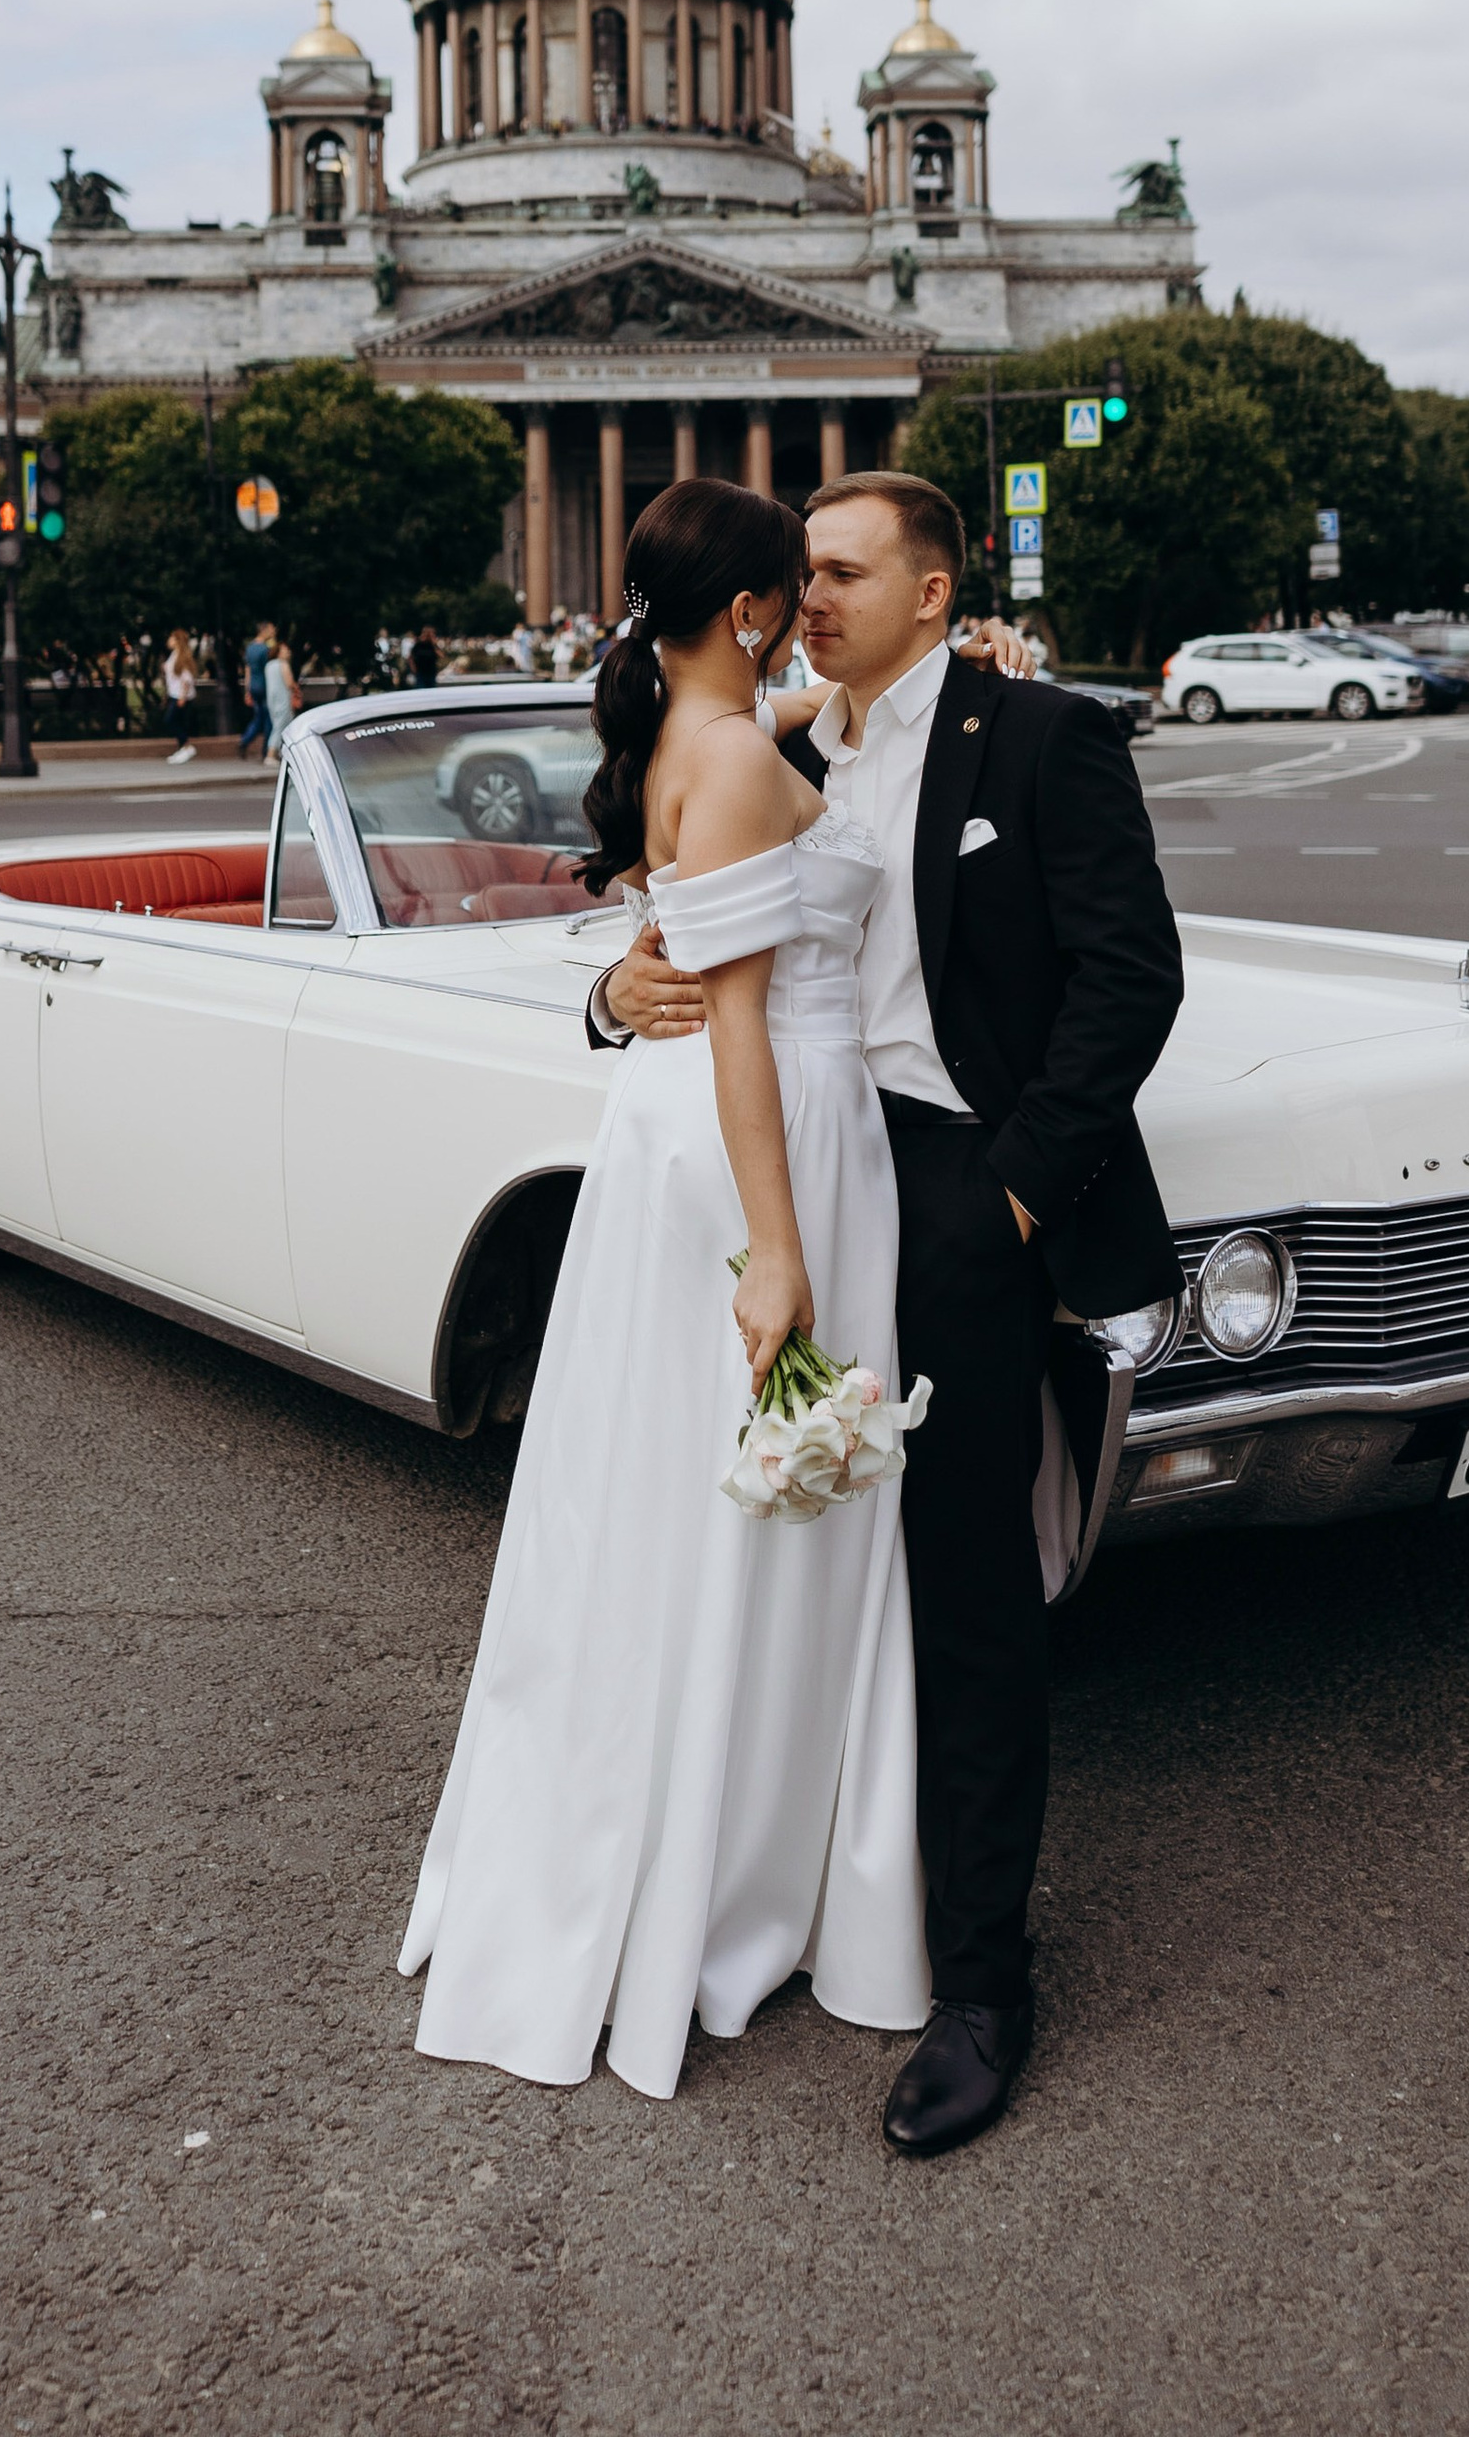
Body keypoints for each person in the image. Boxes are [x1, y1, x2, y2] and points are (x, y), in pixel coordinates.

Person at [595, 473, 1182, 2156]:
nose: (810, 595)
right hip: (789, 1174)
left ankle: (983, 1977)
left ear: (935, 594)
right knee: (802, 1547)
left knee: (958, 1570)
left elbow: (1133, 980)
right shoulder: (792, 742)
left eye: (843, 572)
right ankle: (800, 1886)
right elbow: (692, 933)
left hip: (948, 1183)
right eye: (801, 574)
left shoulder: (1044, 734)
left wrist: (1011, 1195)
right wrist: (610, 986)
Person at [398, 479, 926, 2095]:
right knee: (773, 1509)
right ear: (755, 608)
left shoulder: (680, 746)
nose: (818, 609)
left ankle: (659, 1848)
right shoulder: (748, 763)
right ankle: (750, 1877)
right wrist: (779, 1246)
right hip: (766, 1146)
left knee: (654, 1512)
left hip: (666, 1143)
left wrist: (633, 990)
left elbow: (674, 960)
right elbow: (749, 1026)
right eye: (801, 586)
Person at [160, 628, 201, 765]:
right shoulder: (174, 655)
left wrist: (182, 696)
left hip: (180, 696)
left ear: (177, 641)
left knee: (170, 720)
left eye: (172, 638)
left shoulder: (181, 656)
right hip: (174, 694)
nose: (169, 640)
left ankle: (187, 747)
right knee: (177, 721)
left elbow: (187, 678)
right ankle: (183, 748)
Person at [239, 622, 276, 758]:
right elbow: (269, 670)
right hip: (265, 686)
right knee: (268, 719)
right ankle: (266, 750)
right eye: (271, 629)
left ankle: (245, 740)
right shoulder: (265, 649)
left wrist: (247, 689)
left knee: (258, 716)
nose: (273, 632)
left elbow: (247, 669)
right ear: (264, 630)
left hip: (254, 686)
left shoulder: (250, 648)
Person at [263, 635, 298, 759]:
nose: (288, 652)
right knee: (281, 727)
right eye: (285, 650)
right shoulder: (283, 664)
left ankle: (279, 753)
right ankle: (271, 755)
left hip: (272, 700)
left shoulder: (268, 665)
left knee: (277, 725)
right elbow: (289, 683)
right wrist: (296, 688)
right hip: (283, 699)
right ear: (279, 651)